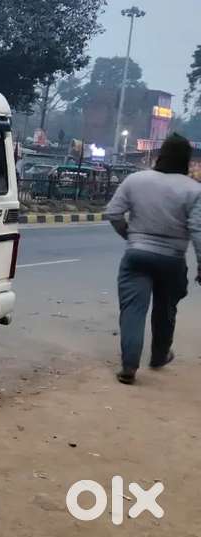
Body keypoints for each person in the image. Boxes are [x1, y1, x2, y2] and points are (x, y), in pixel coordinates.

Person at [104, 133, 201, 384]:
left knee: (133, 310)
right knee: (166, 309)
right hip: (173, 259)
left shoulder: (136, 180)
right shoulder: (194, 190)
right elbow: (198, 231)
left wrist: (130, 237)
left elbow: (113, 213)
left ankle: (129, 366)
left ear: (160, 155)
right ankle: (159, 356)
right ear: (187, 160)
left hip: (137, 256)